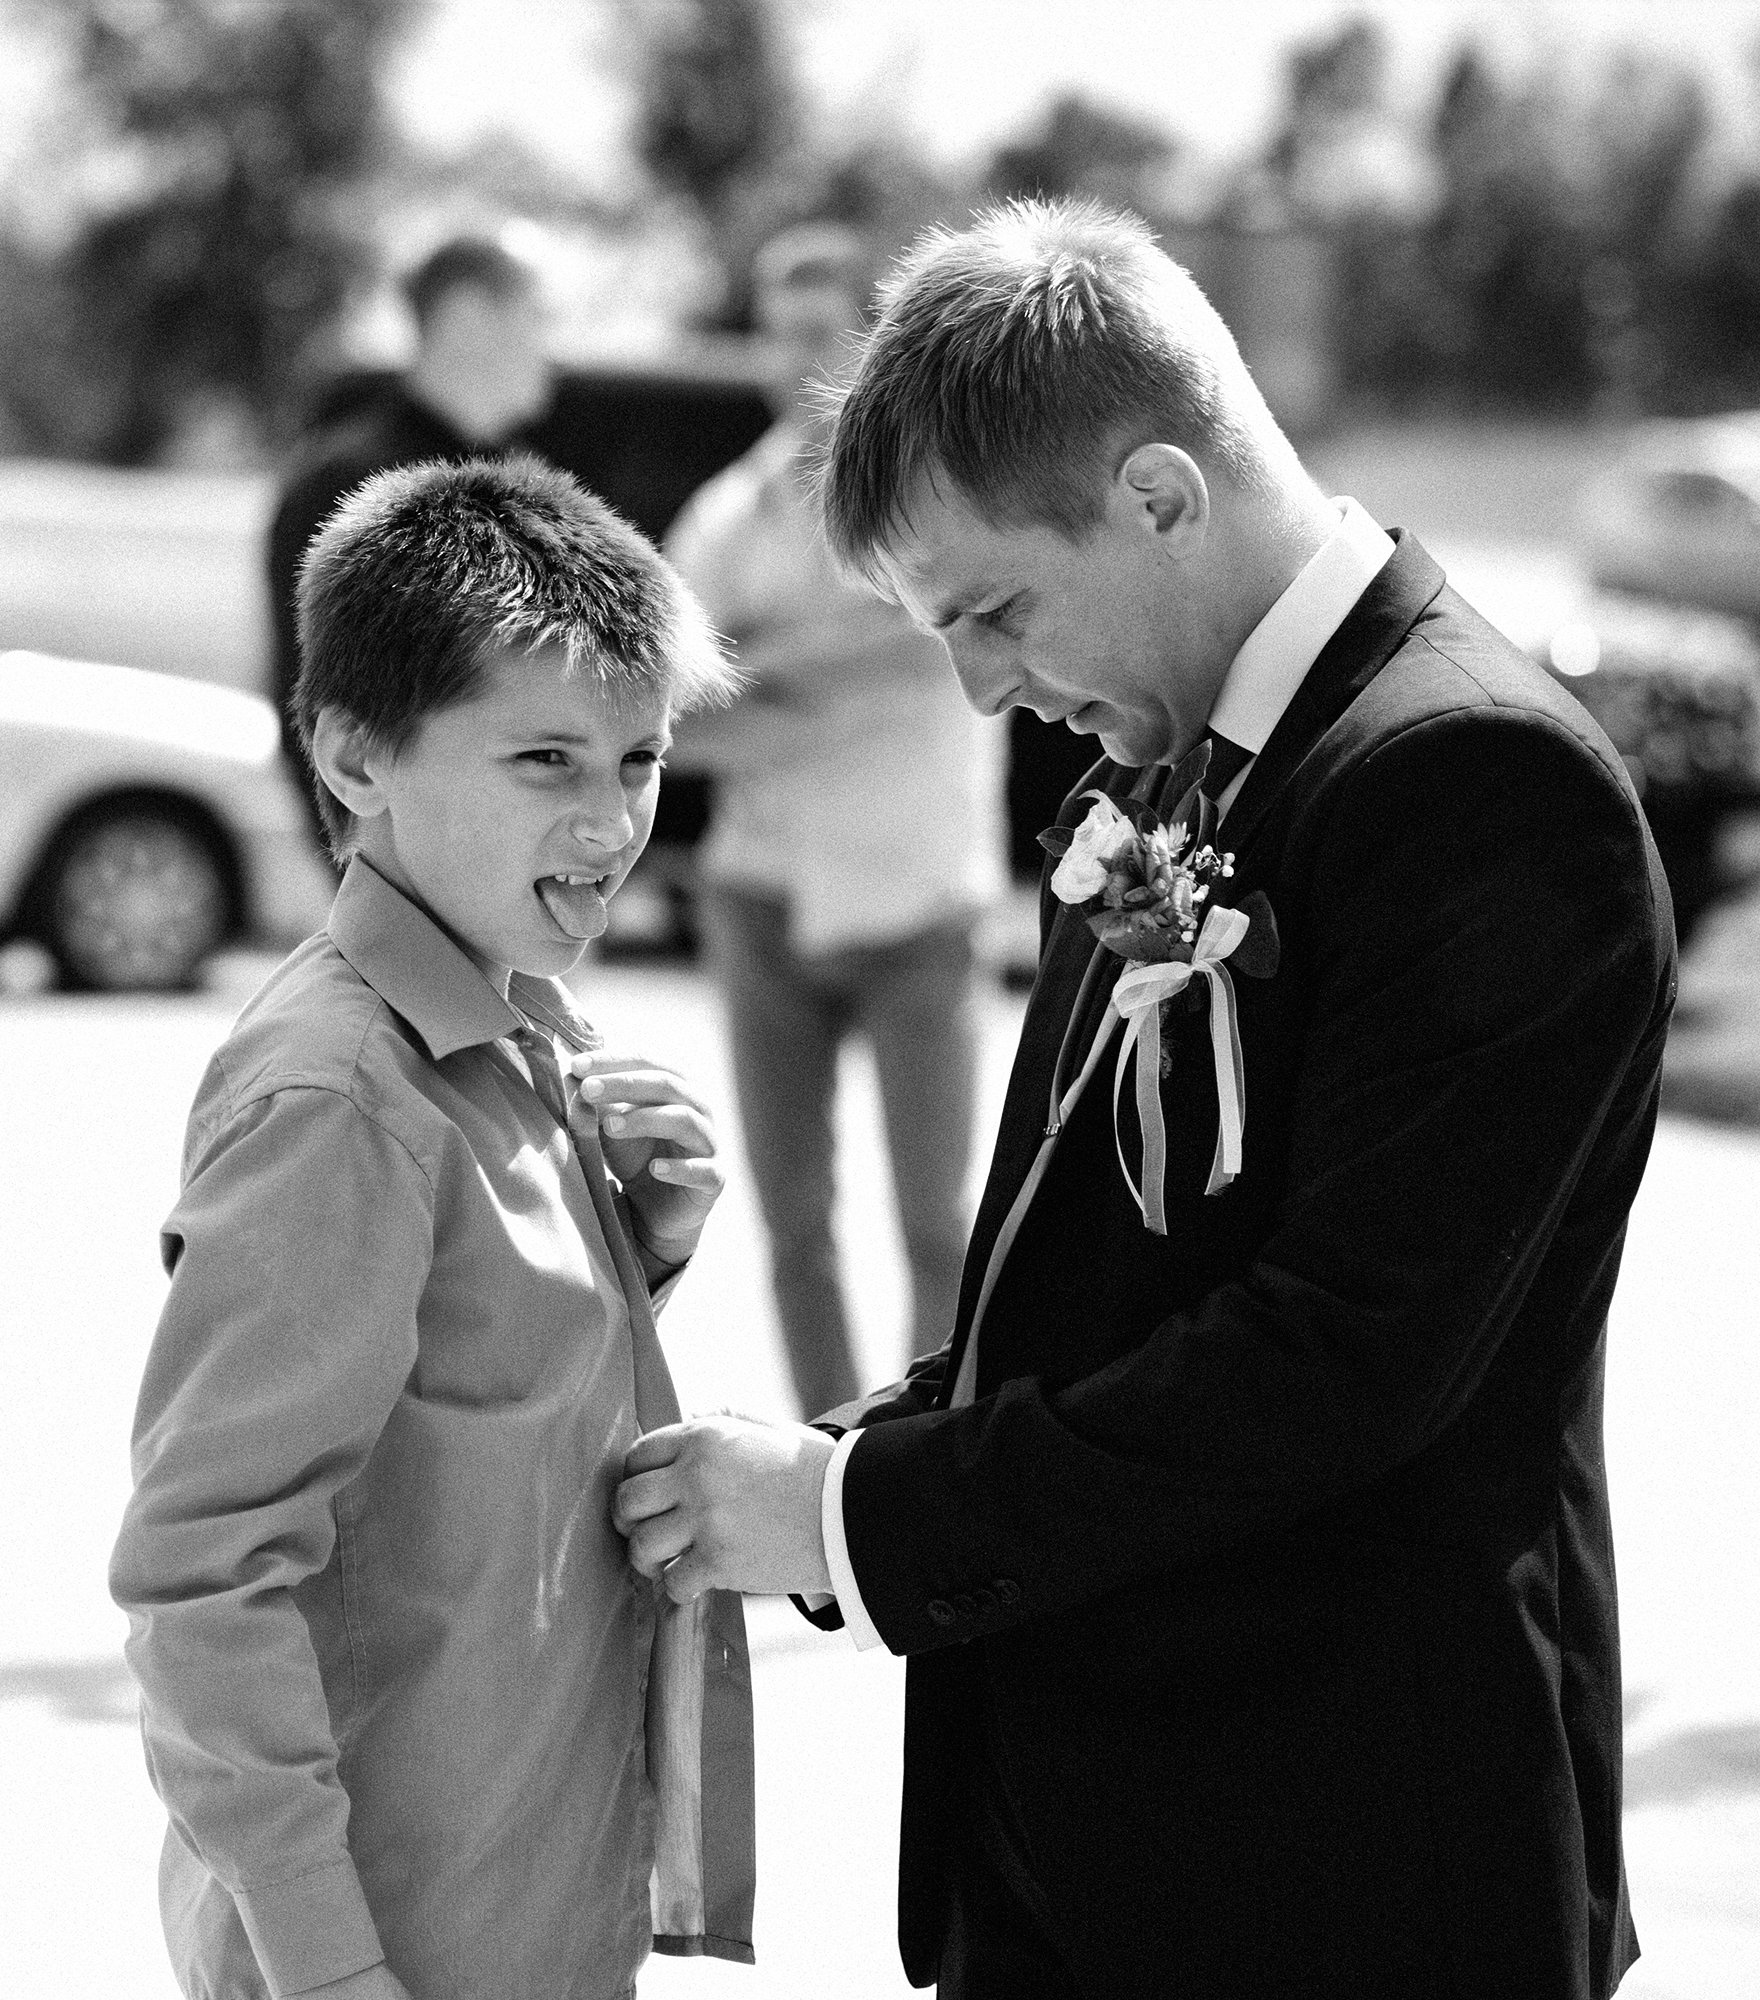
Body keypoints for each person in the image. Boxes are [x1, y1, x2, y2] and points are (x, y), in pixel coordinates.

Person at [614, 198, 1674, 2000]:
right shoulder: (1165, 767)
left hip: (1343, 1874)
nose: (977, 689)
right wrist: (814, 1470)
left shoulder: (1482, 784)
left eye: (993, 611)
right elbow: (1089, 1293)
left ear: (1163, 496)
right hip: (1091, 1850)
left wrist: (865, 1517)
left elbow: (1337, 1363)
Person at [112, 457, 754, 2000]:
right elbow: (205, 1582)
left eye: (640, 760)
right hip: (395, 1944)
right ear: (353, 758)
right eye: (544, 760)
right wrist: (331, 1971)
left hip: (530, 1904)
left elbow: (467, 1400)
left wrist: (639, 1247)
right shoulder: (342, 1095)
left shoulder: (517, 1027)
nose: (610, 823)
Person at [663, 221, 1006, 1419]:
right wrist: (852, 655)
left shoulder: (945, 502)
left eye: (815, 332)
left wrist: (756, 669)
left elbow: (939, 654)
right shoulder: (723, 514)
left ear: (870, 342)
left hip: (919, 908)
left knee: (937, 1228)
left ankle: (922, 1461)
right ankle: (823, 1465)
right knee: (792, 1229)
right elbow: (668, 715)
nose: (788, 359)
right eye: (772, 332)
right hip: (758, 900)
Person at [265, 233, 554, 848]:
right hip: (410, 862)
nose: (552, 346)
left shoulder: (531, 484)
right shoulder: (344, 486)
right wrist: (370, 868)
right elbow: (317, 707)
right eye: (537, 316)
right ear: (468, 318)